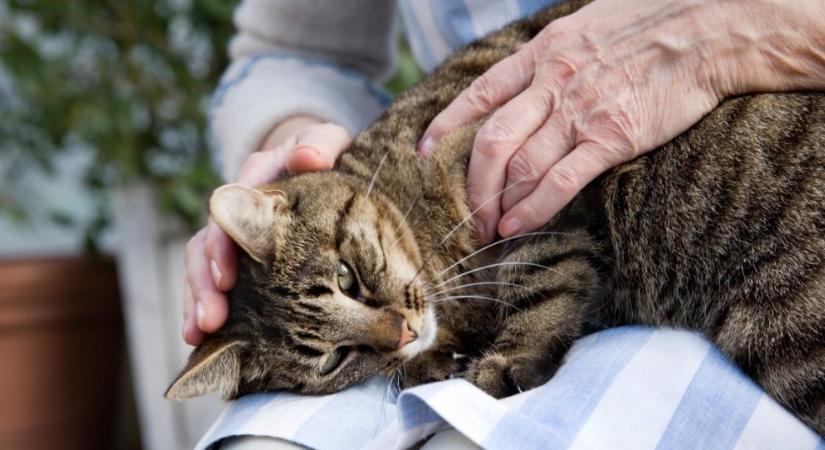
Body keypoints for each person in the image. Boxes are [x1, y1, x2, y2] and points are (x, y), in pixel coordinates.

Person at [183, 1, 825, 448]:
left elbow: (549, 242)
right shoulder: (393, 229)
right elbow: (291, 51)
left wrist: (736, 27)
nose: (392, 333)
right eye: (335, 356)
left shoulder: (433, 175)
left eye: (348, 283)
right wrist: (297, 152)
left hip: (762, 158)